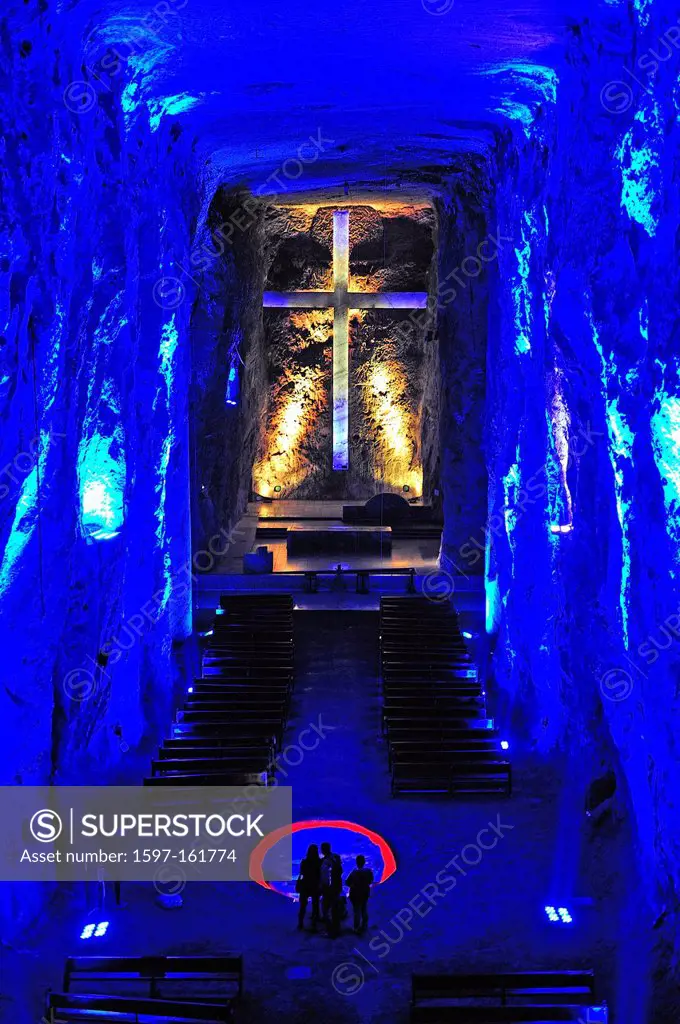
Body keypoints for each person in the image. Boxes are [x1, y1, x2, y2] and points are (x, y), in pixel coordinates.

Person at [345, 855, 374, 934]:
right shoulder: (369, 871)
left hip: (355, 894)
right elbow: (371, 881)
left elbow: (347, 882)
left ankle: (356, 927)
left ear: (356, 862)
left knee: (356, 911)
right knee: (364, 909)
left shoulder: (354, 872)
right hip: (365, 892)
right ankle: (364, 925)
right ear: (364, 862)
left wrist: (353, 885)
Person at [319, 842, 343, 937]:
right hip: (336, 887)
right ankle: (336, 930)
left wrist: (323, 886)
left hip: (329, 888)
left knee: (326, 909)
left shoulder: (325, 861)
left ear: (323, 850)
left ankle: (331, 931)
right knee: (334, 909)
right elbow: (340, 871)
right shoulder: (336, 857)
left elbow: (326, 876)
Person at [297, 844, 321, 930]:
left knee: (302, 906)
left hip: (305, 885)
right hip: (315, 886)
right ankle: (314, 925)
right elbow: (319, 875)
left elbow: (302, 874)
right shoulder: (319, 862)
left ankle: (300, 924)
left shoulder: (304, 862)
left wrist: (300, 883)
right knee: (315, 906)